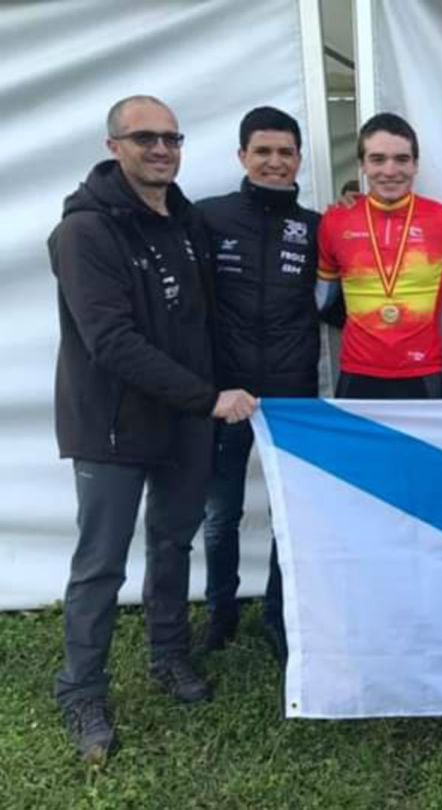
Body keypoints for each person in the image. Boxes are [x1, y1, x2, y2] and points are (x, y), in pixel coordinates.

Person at [48, 95, 257, 762]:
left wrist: (214, 396)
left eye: (172, 137)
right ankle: (82, 691)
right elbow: (110, 340)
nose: (161, 149)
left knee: (173, 545)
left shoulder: (186, 221)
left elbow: (201, 323)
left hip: (186, 423)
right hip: (111, 425)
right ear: (115, 146)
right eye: (146, 138)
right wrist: (207, 397)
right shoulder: (85, 232)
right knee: (100, 565)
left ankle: (168, 656)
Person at [196, 107, 321, 661]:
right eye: (263, 151)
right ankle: (220, 612)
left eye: (285, 152)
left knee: (286, 515)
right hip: (225, 397)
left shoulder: (317, 227)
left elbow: (337, 302)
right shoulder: (207, 218)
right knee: (221, 513)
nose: (275, 162)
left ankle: (278, 612)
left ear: (298, 159)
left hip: (292, 398)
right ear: (242, 156)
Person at [317, 113, 442, 398]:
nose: (389, 170)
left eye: (401, 159)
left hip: (422, 370)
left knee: (421, 445)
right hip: (358, 370)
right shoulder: (335, 221)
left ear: (416, 164)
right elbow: (323, 300)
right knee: (357, 446)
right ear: (362, 165)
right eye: (377, 159)